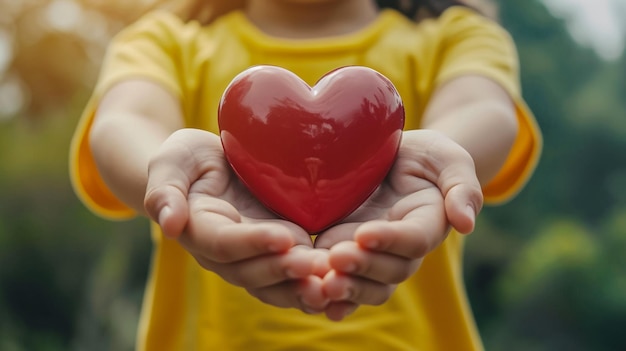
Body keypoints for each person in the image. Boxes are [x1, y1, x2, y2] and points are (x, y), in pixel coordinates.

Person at [69, 0, 542, 350]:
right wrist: (168, 167)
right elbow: (124, 122)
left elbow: (483, 109)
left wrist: (439, 155)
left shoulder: (455, 35)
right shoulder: (165, 40)